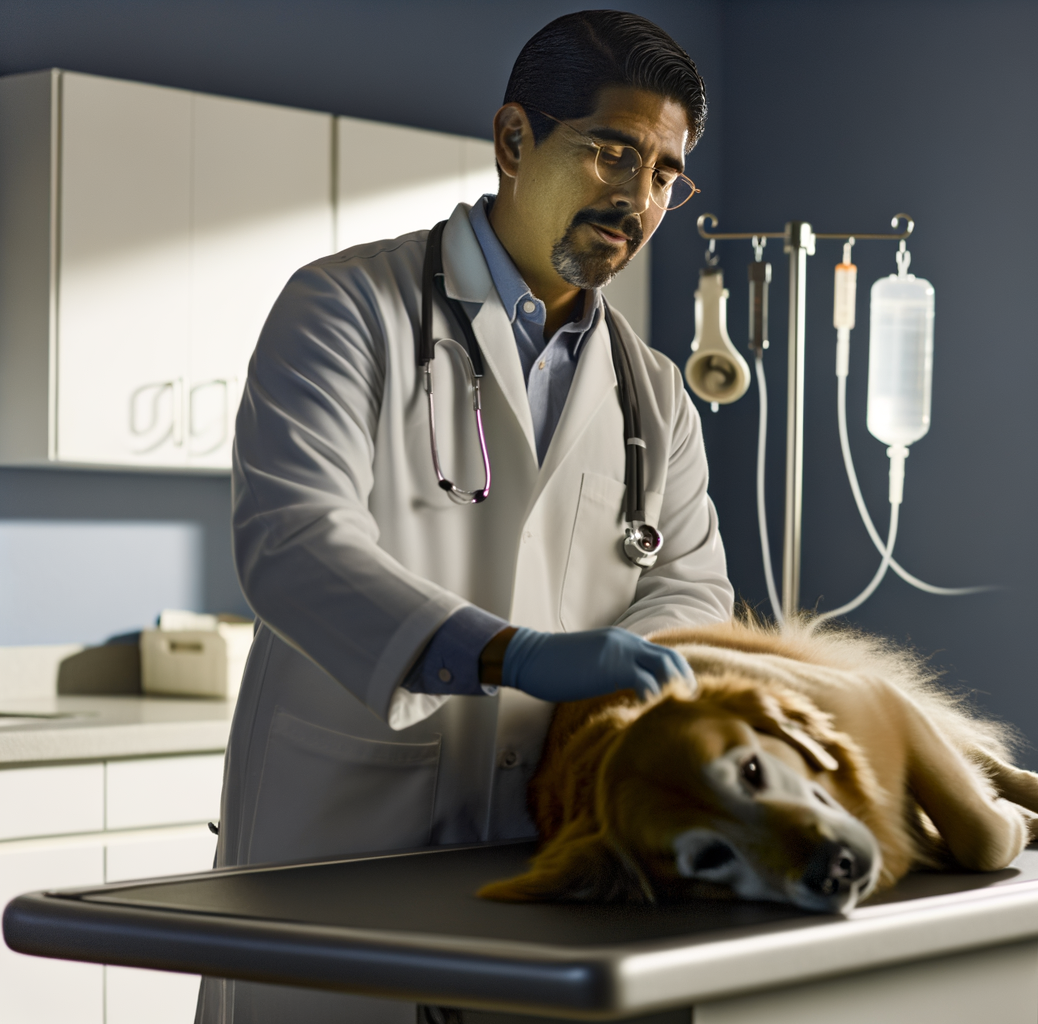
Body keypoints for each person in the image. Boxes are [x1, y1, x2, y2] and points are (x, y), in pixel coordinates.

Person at [201, 12, 730, 1022]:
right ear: (515, 139)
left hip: (546, 848)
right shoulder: (346, 306)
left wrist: (629, 674)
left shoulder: (653, 391)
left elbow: (691, 583)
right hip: (345, 845)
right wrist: (513, 654)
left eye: (665, 172)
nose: (635, 195)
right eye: (610, 149)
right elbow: (295, 541)